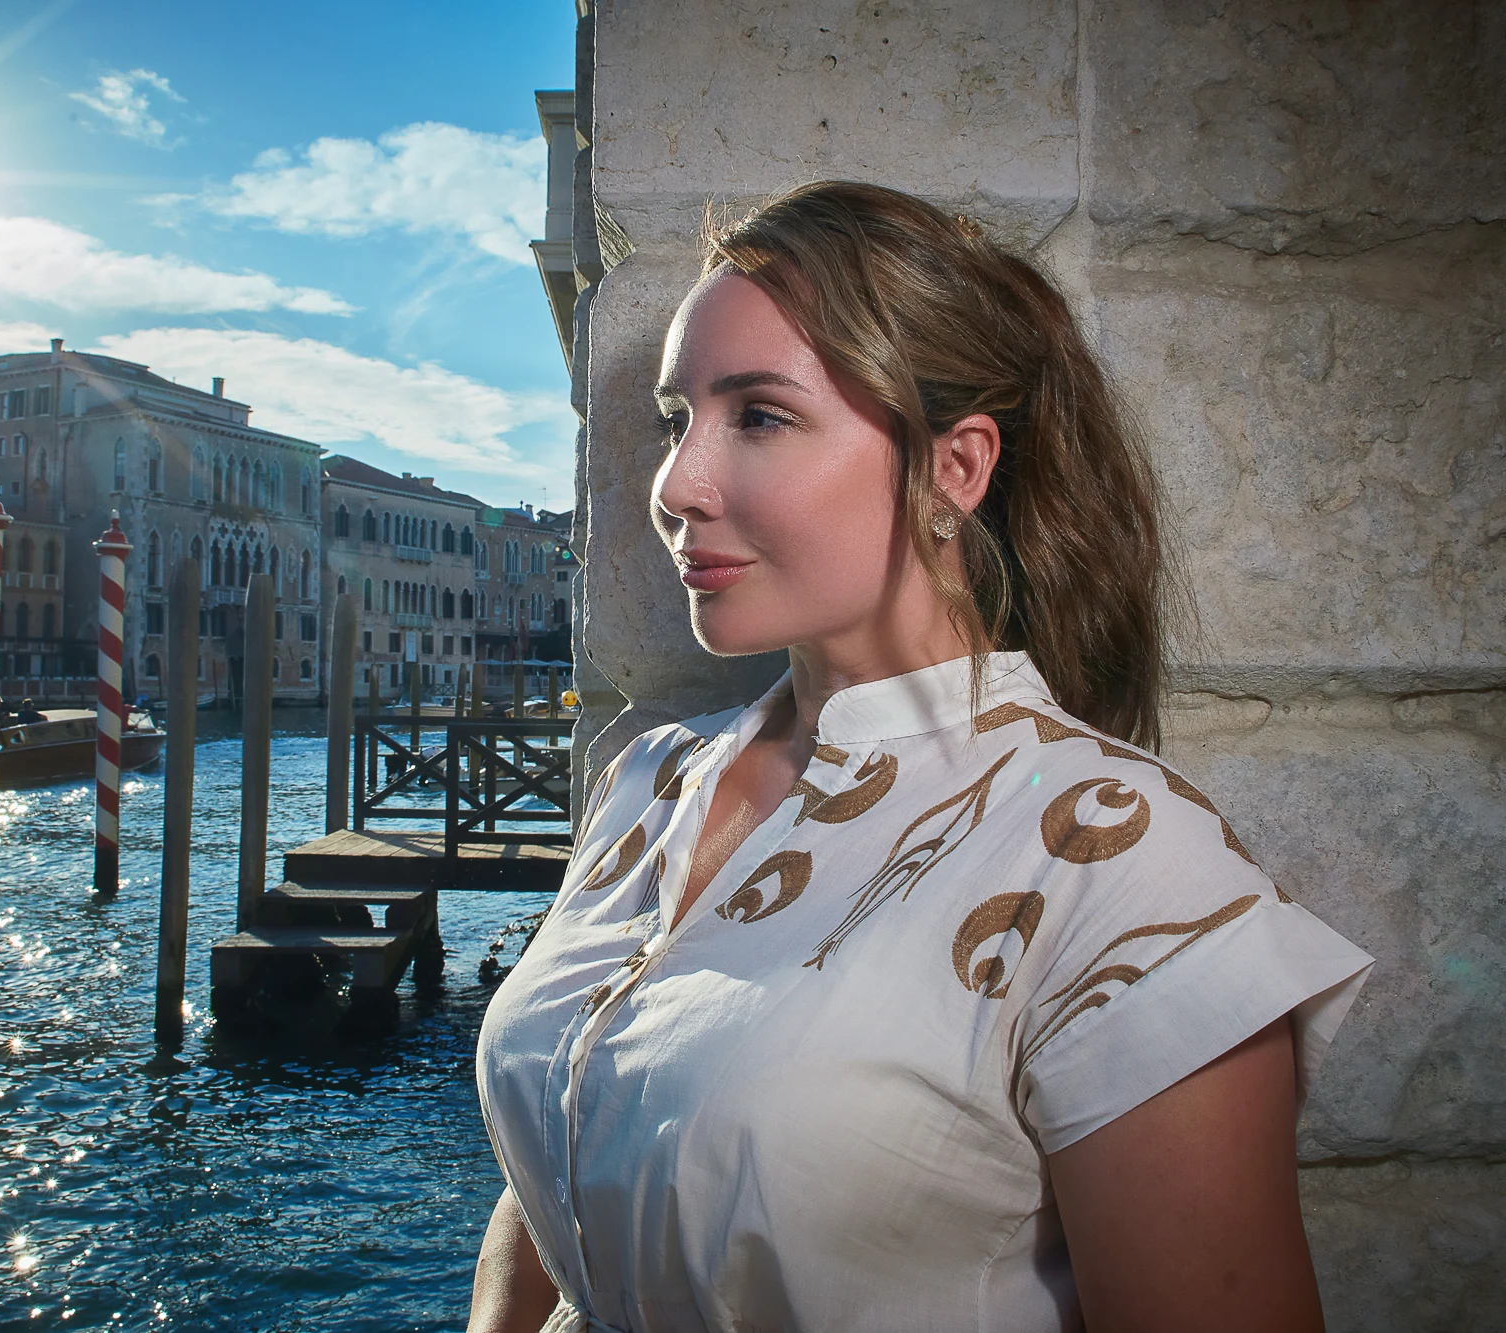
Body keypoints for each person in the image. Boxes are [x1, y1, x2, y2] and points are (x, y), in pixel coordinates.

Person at [469, 182, 1373, 1333]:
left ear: (954, 468)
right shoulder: (645, 782)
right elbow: (559, 1139)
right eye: (673, 418)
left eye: (756, 415)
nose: (672, 486)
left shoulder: (1130, 873)